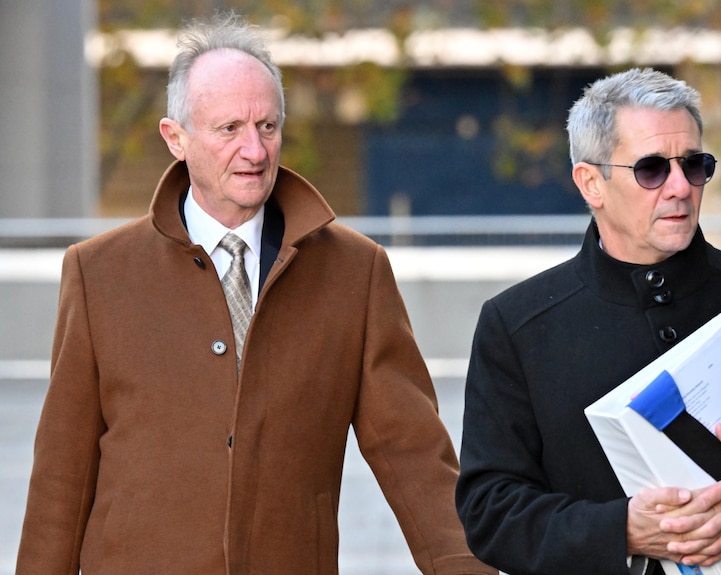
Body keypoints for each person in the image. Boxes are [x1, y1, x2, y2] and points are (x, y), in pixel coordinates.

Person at [16, 13, 494, 575]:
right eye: (229, 129)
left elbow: (415, 455)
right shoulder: (97, 273)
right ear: (176, 138)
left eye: (267, 126)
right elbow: (61, 477)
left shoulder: (355, 272)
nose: (255, 150)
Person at [455, 67, 721, 574]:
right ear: (591, 183)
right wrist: (622, 530)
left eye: (694, 165)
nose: (680, 187)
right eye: (651, 169)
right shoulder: (515, 324)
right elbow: (490, 511)